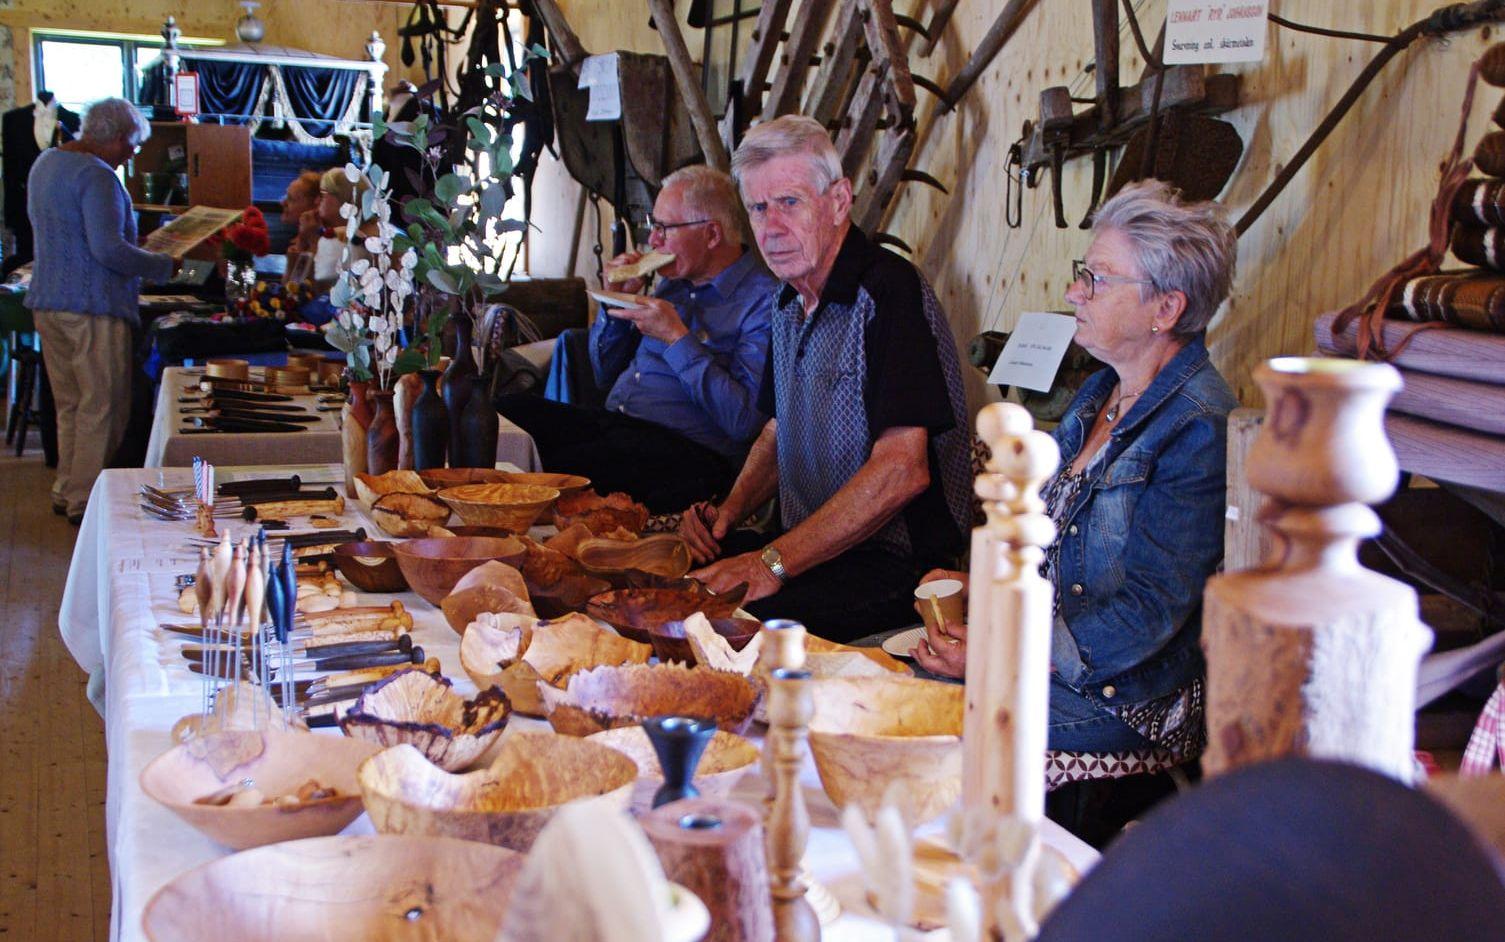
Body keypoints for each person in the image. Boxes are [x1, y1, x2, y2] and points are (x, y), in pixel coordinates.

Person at [910, 179, 1239, 760]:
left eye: (1097, 279)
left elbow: (1149, 612)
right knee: (888, 693)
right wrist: (985, 590)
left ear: (1166, 308)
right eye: (1081, 272)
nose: (1073, 291)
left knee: (925, 735)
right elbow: (1047, 544)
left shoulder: (1199, 424)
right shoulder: (1098, 393)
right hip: (1050, 663)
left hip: (1127, 700)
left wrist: (998, 651)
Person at [681, 115, 973, 642]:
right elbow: (778, 430)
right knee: (674, 585)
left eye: (789, 203)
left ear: (839, 201)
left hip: (895, 564)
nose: (771, 227)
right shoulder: (786, 299)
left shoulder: (887, 291)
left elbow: (902, 471)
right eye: (758, 208)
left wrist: (768, 564)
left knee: (731, 631)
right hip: (807, 547)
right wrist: (726, 516)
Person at [497, 165, 777, 513]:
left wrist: (677, 338)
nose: (653, 241)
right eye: (652, 224)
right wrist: (615, 301)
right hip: (619, 424)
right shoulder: (672, 283)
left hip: (693, 455)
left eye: (664, 228)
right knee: (506, 410)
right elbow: (603, 374)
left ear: (712, 234)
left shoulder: (764, 302)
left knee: (560, 465)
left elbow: (743, 423)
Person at [26, 97, 174, 524]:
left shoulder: (46, 164)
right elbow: (108, 250)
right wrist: (164, 263)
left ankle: (65, 487)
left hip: (49, 302)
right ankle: (84, 502)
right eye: (131, 144)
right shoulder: (98, 176)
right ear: (112, 138)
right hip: (92, 307)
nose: (133, 153)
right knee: (103, 405)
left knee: (71, 403)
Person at [280, 169, 323, 282]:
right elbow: (289, 289)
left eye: (291, 199)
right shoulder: (301, 240)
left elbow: (301, 288)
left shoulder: (324, 245)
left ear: (316, 207)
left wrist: (311, 240)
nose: (282, 203)